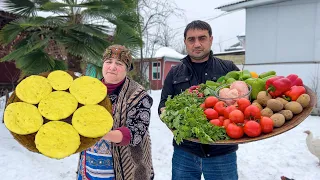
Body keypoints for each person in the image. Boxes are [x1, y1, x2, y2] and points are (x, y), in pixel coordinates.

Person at [158, 20, 240, 180]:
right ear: (185, 43)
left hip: (221, 152)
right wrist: (170, 116)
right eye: (191, 39)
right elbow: (163, 105)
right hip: (185, 151)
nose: (197, 44)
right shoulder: (174, 73)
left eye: (202, 38)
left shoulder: (228, 68)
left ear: (211, 39)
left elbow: (245, 102)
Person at [77, 45, 154, 180]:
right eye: (108, 62)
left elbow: (136, 132)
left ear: (127, 68)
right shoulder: (90, 90)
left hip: (126, 170)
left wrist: (101, 134)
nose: (112, 67)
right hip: (89, 168)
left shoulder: (138, 95)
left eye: (118, 63)